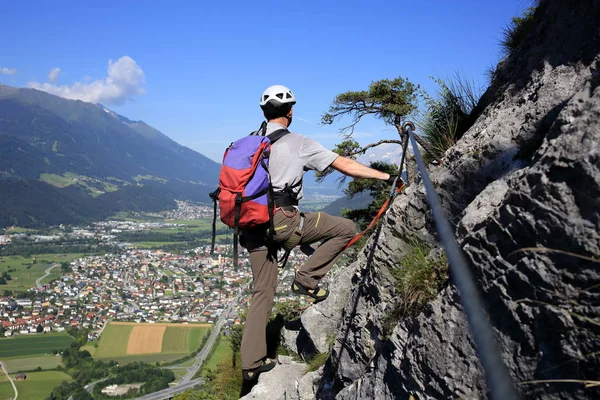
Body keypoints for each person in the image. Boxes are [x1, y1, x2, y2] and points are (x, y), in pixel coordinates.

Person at [240, 85, 400, 380]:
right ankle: (306, 279)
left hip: (251, 226)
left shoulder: (249, 143)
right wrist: (389, 176)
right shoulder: (298, 142)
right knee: (345, 227)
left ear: (264, 112)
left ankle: (250, 365)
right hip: (282, 222)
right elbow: (347, 166)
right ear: (290, 112)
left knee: (262, 292)